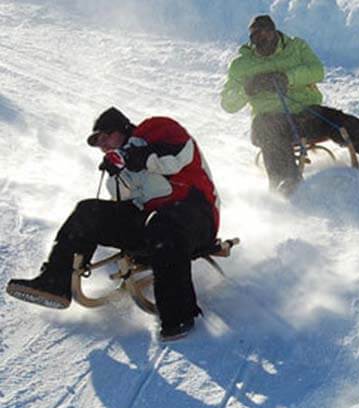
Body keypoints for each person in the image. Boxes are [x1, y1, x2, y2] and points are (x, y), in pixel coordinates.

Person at [5, 107, 220, 341]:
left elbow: (177, 158)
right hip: (152, 227)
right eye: (99, 144)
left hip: (194, 215)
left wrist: (132, 158)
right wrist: (117, 174)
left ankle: (178, 314)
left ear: (123, 129)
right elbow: (125, 205)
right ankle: (55, 282)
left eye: (106, 137)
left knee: (163, 223)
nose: (104, 146)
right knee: (89, 210)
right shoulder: (120, 166)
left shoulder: (157, 128)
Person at [220, 14, 359, 196]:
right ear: (252, 40)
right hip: (268, 121)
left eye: (267, 35)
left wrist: (288, 78)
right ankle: (285, 181)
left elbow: (317, 70)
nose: (263, 41)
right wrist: (248, 89)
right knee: (267, 127)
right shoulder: (241, 65)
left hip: (304, 114)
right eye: (257, 37)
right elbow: (228, 104)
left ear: (275, 33)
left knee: (331, 118)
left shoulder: (296, 47)